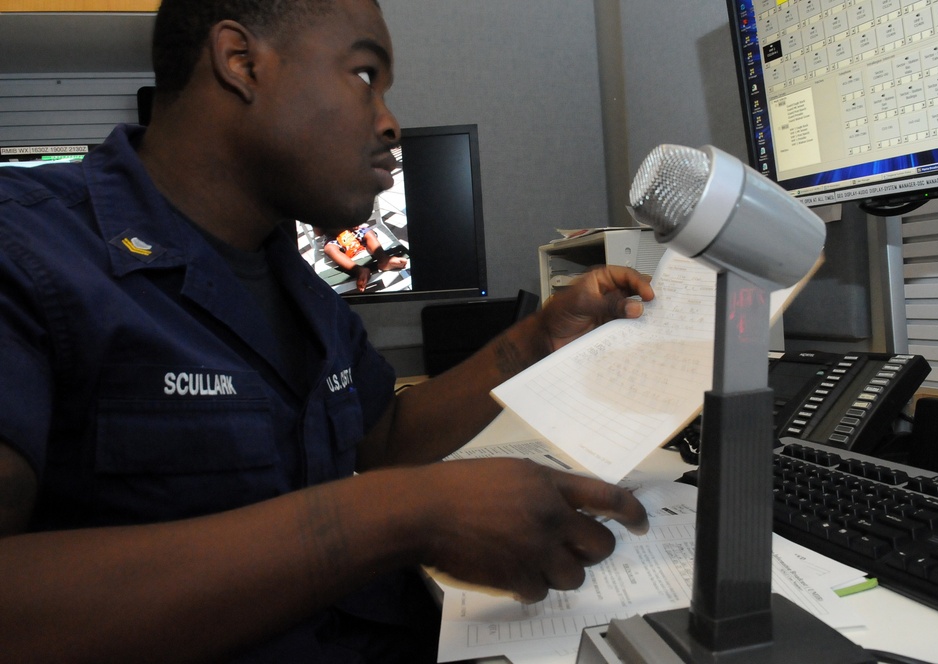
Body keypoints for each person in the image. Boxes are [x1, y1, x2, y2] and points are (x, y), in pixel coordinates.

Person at [0, 1, 656, 662]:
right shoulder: (27, 249)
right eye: (366, 74)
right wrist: (403, 516)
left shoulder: (297, 285)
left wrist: (535, 340)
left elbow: (383, 441)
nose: (390, 123)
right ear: (241, 62)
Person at [319, 222, 408, 292]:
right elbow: (318, 232)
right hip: (334, 238)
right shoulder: (317, 207)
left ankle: (383, 260)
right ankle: (359, 270)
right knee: (329, 249)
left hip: (352, 231)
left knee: (368, 233)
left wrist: (353, 222)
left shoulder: (342, 201)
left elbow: (354, 212)